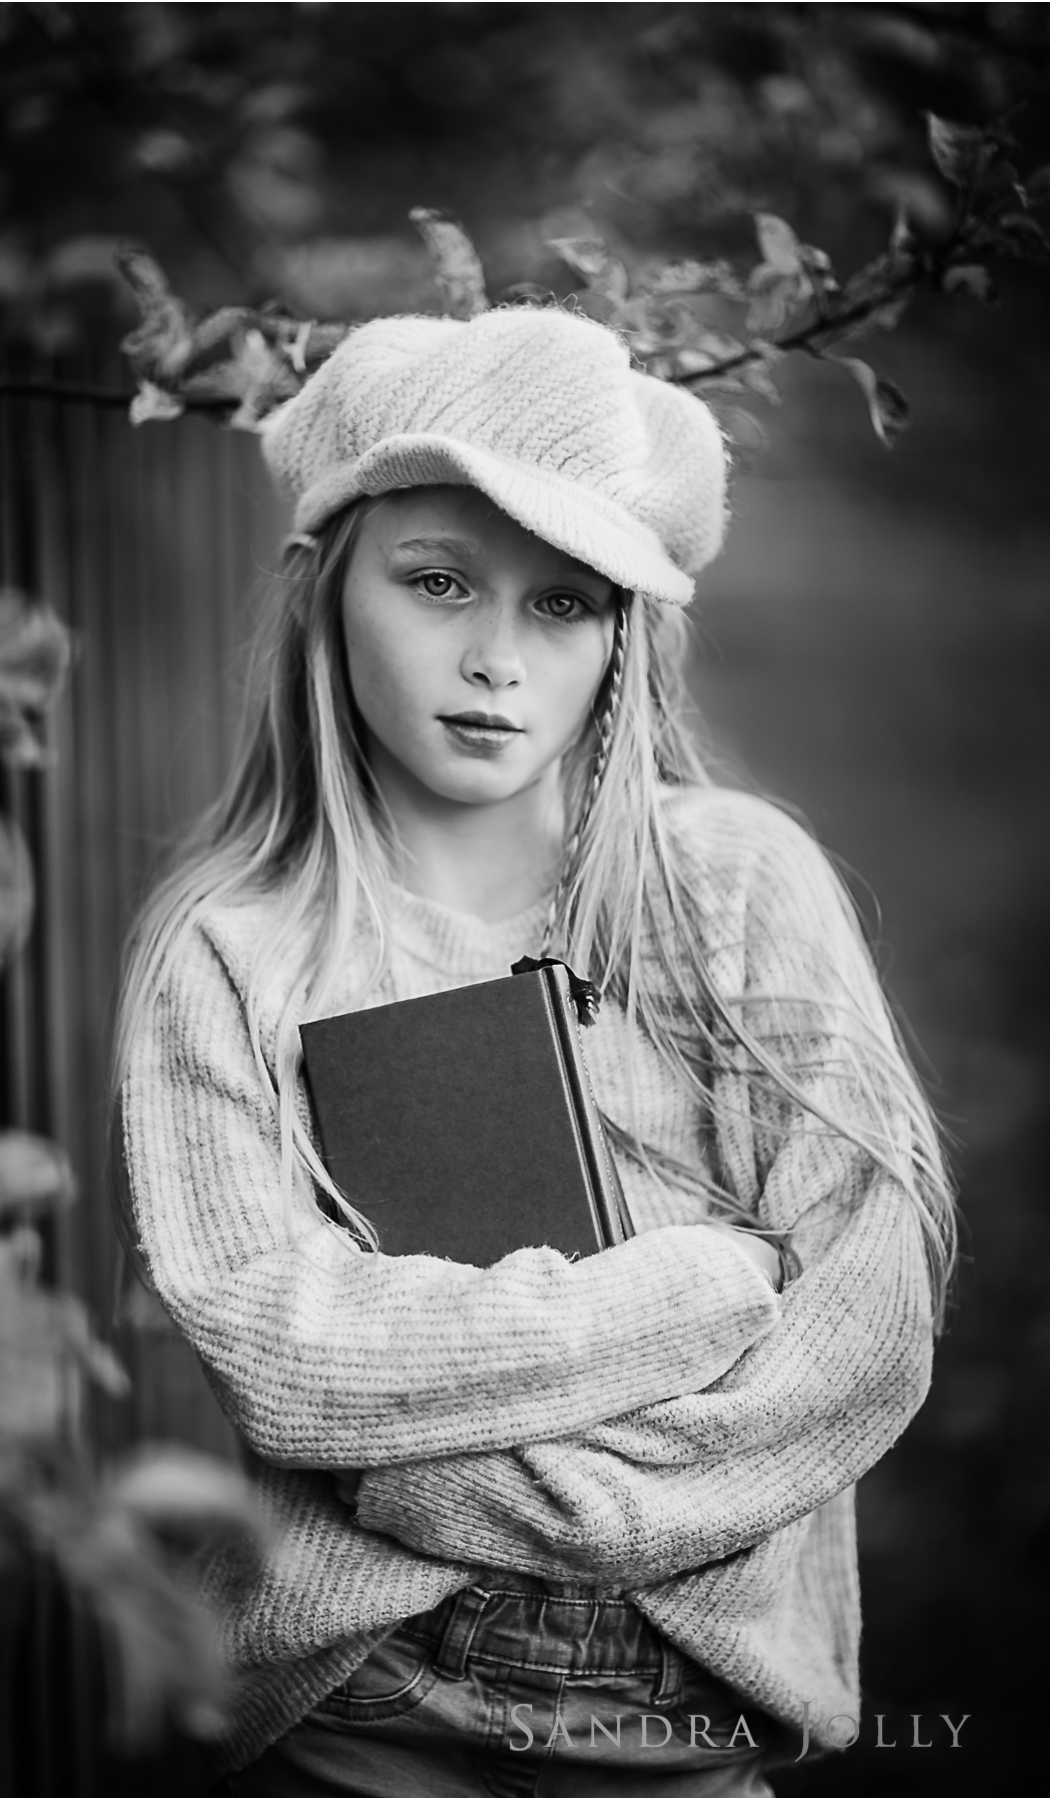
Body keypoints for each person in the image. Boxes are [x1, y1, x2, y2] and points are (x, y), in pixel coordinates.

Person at [115, 308, 951, 1797]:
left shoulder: (731, 888)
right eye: (438, 583)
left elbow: (864, 1329)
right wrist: (703, 1286)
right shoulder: (231, 950)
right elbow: (286, 1360)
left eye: (562, 605)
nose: (496, 658)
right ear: (328, 592)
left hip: (695, 1715)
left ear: (625, 631)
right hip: (367, 1717)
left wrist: (421, 1466)